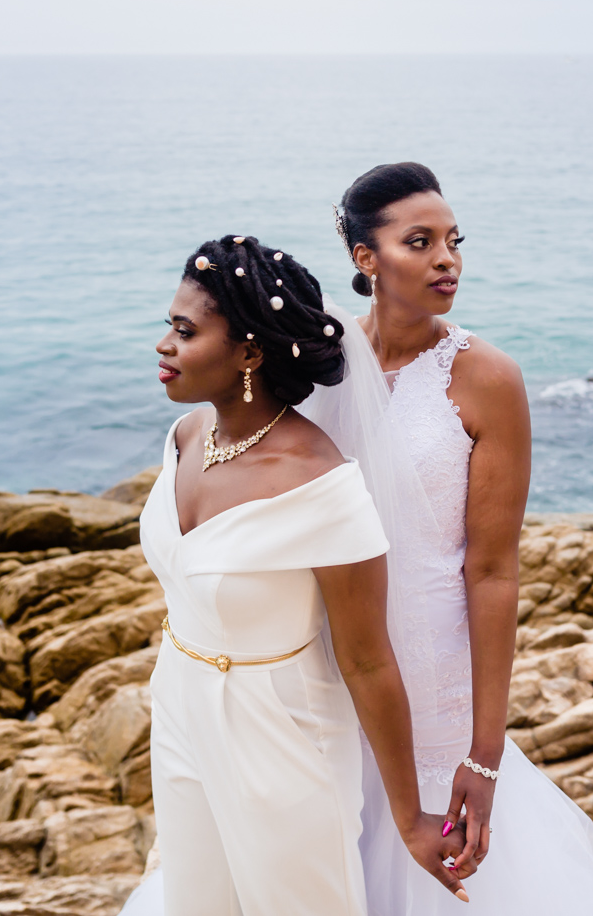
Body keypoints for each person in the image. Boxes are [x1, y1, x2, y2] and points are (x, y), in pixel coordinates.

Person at [303, 163, 593, 913]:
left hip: (434, 679)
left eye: (453, 241)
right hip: (323, 673)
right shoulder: (319, 367)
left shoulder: (485, 376)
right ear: (366, 258)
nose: (447, 259)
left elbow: (492, 570)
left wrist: (484, 752)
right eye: (420, 241)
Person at [119, 235, 471, 916]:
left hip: (281, 734)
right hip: (181, 706)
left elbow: (368, 659)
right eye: (168, 324)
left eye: (184, 331)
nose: (163, 344)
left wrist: (409, 817)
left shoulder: (320, 485)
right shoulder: (189, 436)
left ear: (250, 353)